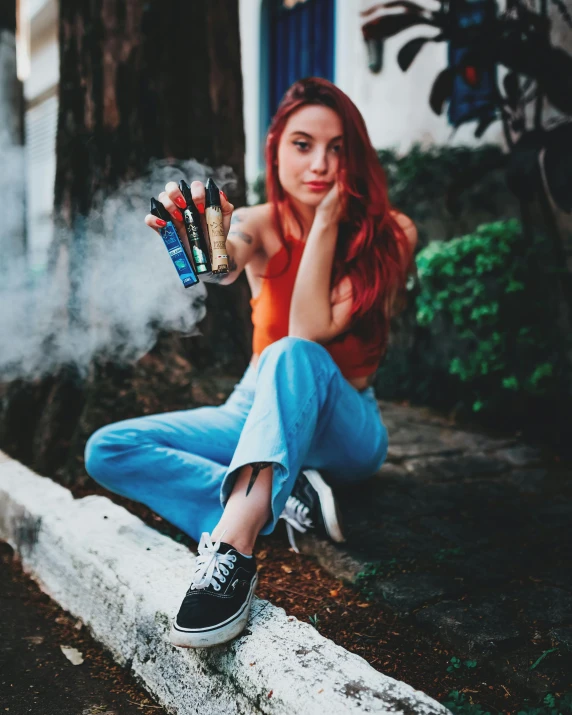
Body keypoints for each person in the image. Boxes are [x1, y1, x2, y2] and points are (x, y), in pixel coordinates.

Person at [84, 77, 417, 650]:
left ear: (357, 155)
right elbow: (223, 260)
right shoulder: (259, 222)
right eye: (303, 144)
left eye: (338, 148)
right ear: (276, 149)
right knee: (108, 449)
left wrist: (328, 221)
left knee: (294, 352)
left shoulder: (392, 233)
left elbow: (309, 331)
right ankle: (281, 501)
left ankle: (233, 548)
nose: (320, 164)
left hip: (345, 425)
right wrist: (200, 244)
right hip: (257, 403)